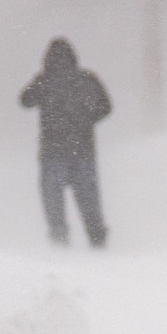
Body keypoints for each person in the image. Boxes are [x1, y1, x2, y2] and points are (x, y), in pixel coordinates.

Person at [20, 38, 112, 247]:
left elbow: (25, 100)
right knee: (89, 199)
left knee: (53, 200)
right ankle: (97, 239)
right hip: (83, 150)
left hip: (52, 152)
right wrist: (87, 120)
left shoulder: (45, 80)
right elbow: (106, 107)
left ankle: (59, 241)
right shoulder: (87, 79)